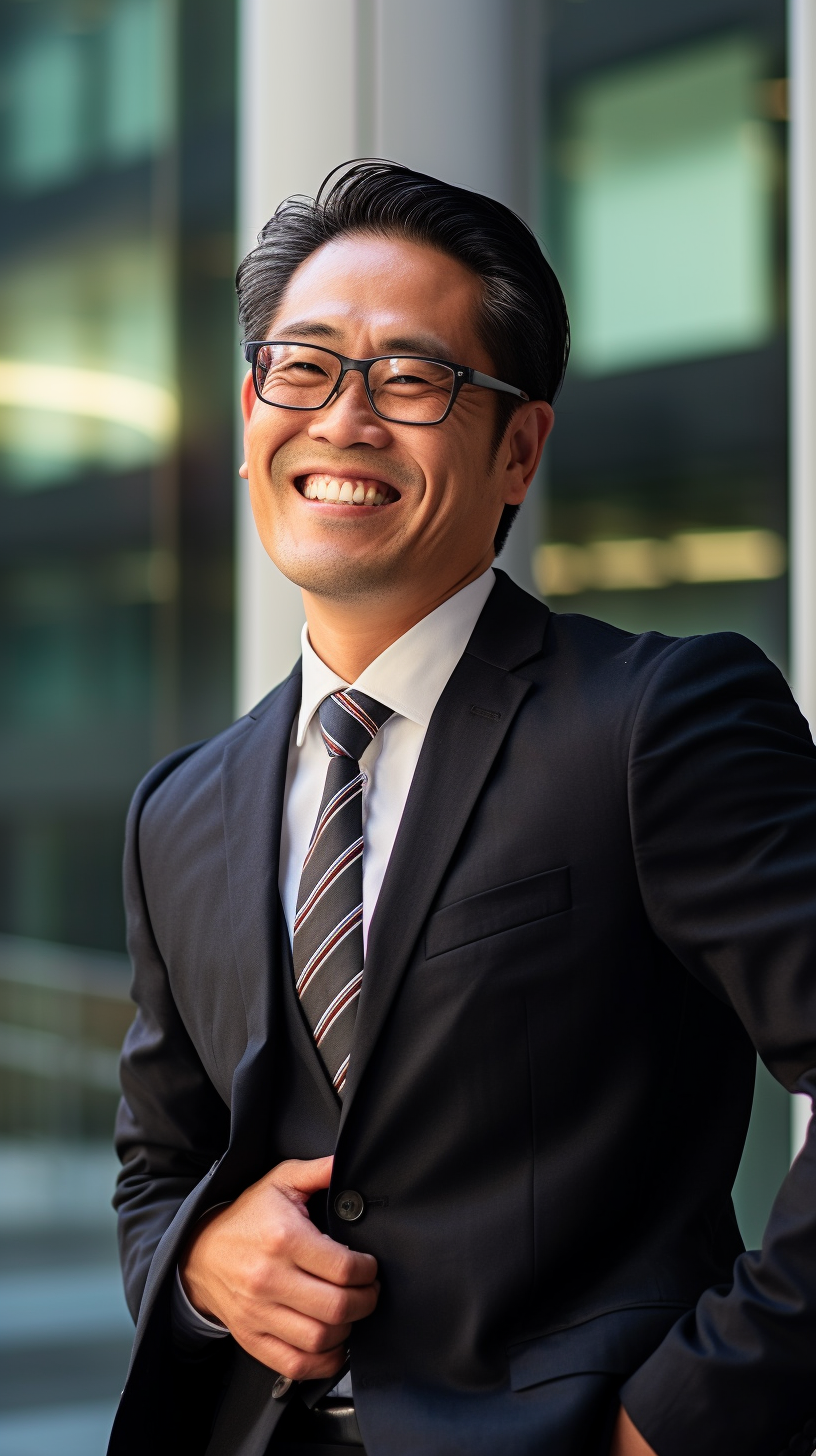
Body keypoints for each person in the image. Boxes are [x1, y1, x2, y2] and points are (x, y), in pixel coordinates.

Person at [108, 159, 816, 1456]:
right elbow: (158, 1169)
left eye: (413, 376)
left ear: (520, 449)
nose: (345, 418)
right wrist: (204, 1261)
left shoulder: (657, 718)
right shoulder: (181, 810)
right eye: (304, 367)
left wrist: (690, 1416)